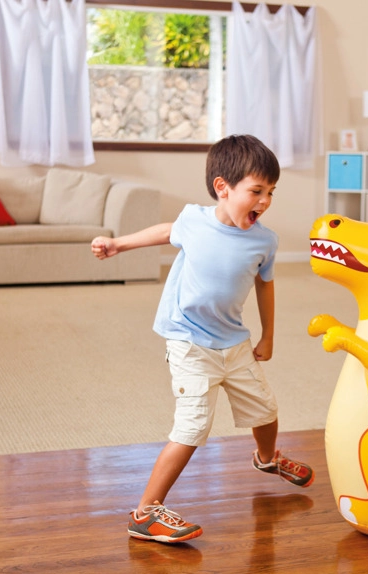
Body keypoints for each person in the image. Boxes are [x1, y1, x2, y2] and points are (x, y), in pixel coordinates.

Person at [91, 134, 314, 544]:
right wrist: (119, 244)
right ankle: (145, 513)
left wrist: (268, 336)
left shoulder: (265, 241)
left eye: (271, 192)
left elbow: (265, 286)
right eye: (256, 191)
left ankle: (267, 459)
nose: (265, 201)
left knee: (266, 409)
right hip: (189, 342)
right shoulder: (194, 221)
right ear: (222, 188)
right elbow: (165, 232)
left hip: (235, 343)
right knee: (193, 427)